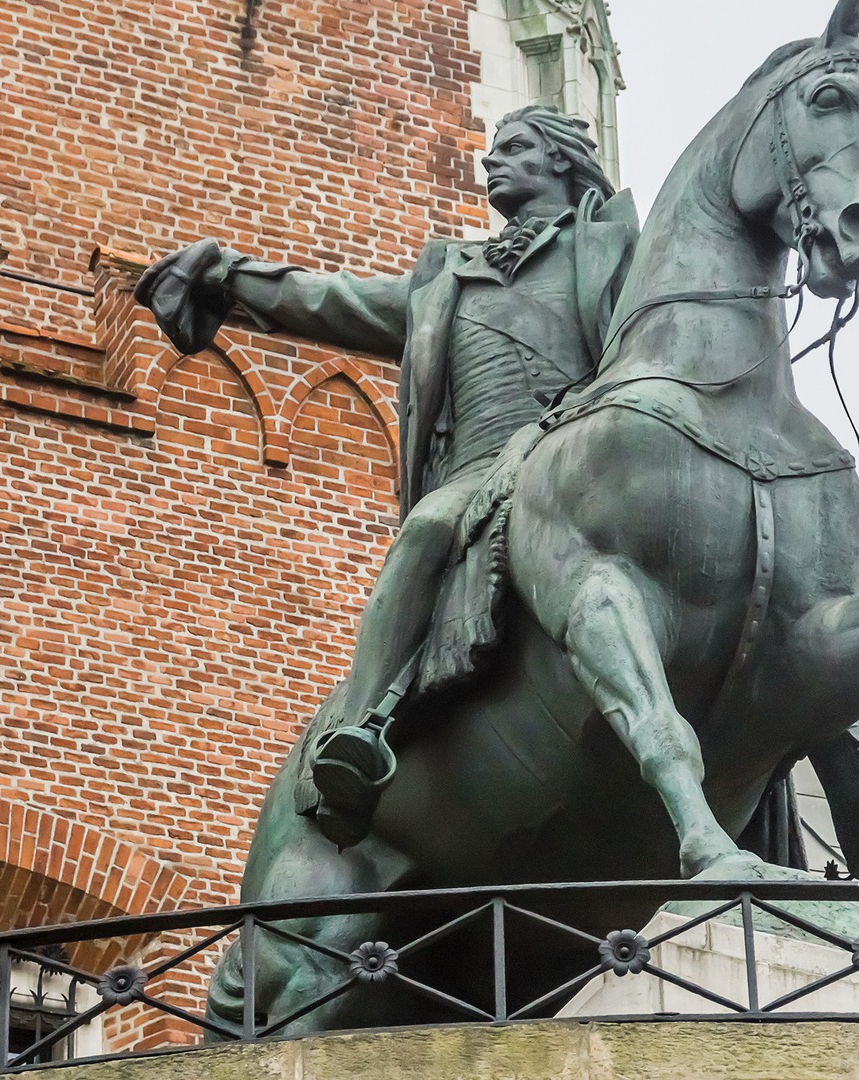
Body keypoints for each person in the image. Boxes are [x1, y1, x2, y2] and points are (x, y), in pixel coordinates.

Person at [136, 106, 638, 844]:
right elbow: (333, 300)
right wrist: (230, 275)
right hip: (481, 471)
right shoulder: (448, 276)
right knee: (430, 526)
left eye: (517, 149)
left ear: (562, 161)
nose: (492, 163)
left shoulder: (610, 245)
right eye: (492, 151)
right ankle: (357, 733)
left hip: (587, 452)